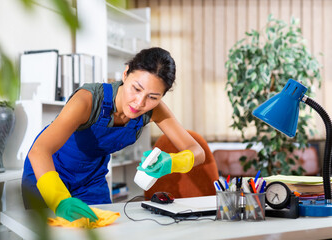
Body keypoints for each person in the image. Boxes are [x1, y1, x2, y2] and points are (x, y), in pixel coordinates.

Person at [21, 47, 205, 223]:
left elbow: (198, 152)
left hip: (91, 179)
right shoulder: (87, 100)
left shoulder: (155, 110)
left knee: (103, 231)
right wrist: (59, 200)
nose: (139, 102)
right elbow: (39, 151)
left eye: (153, 97)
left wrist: (172, 162)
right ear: (125, 74)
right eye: (136, 88)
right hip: (47, 171)